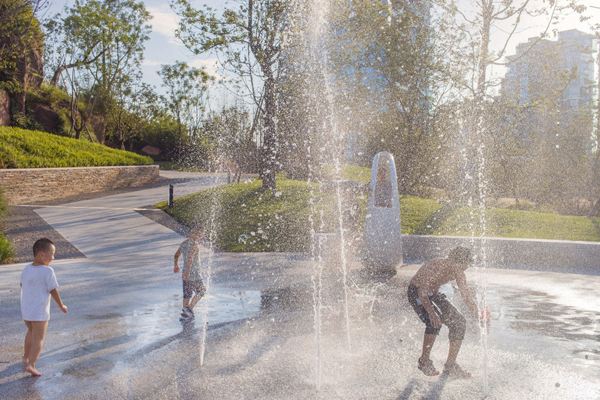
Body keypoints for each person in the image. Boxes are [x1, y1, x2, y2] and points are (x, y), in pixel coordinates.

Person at [407, 246, 486, 379]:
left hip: (433, 293)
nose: (467, 267)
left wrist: (478, 313)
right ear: (456, 261)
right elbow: (422, 292)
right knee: (434, 322)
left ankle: (451, 366)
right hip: (417, 292)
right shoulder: (438, 266)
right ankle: (424, 361)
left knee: (459, 322)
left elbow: (466, 296)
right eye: (466, 263)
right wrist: (432, 313)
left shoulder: (458, 271)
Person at [20, 238, 68, 377]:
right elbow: (53, 290)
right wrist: (61, 305)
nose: (53, 257)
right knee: (39, 339)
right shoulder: (48, 271)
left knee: (30, 331)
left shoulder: (26, 268)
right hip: (39, 312)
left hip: (26, 311)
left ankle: (25, 357)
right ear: (41, 255)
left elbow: (22, 286)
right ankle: (31, 365)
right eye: (52, 254)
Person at [173, 228, 206, 321]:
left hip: (185, 272)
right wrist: (187, 273)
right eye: (198, 234)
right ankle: (189, 310)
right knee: (202, 291)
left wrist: (176, 266)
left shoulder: (183, 244)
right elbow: (190, 259)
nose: (200, 236)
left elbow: (176, 255)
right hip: (193, 273)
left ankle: (185, 314)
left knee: (187, 294)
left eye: (200, 234)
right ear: (193, 234)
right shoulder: (194, 245)